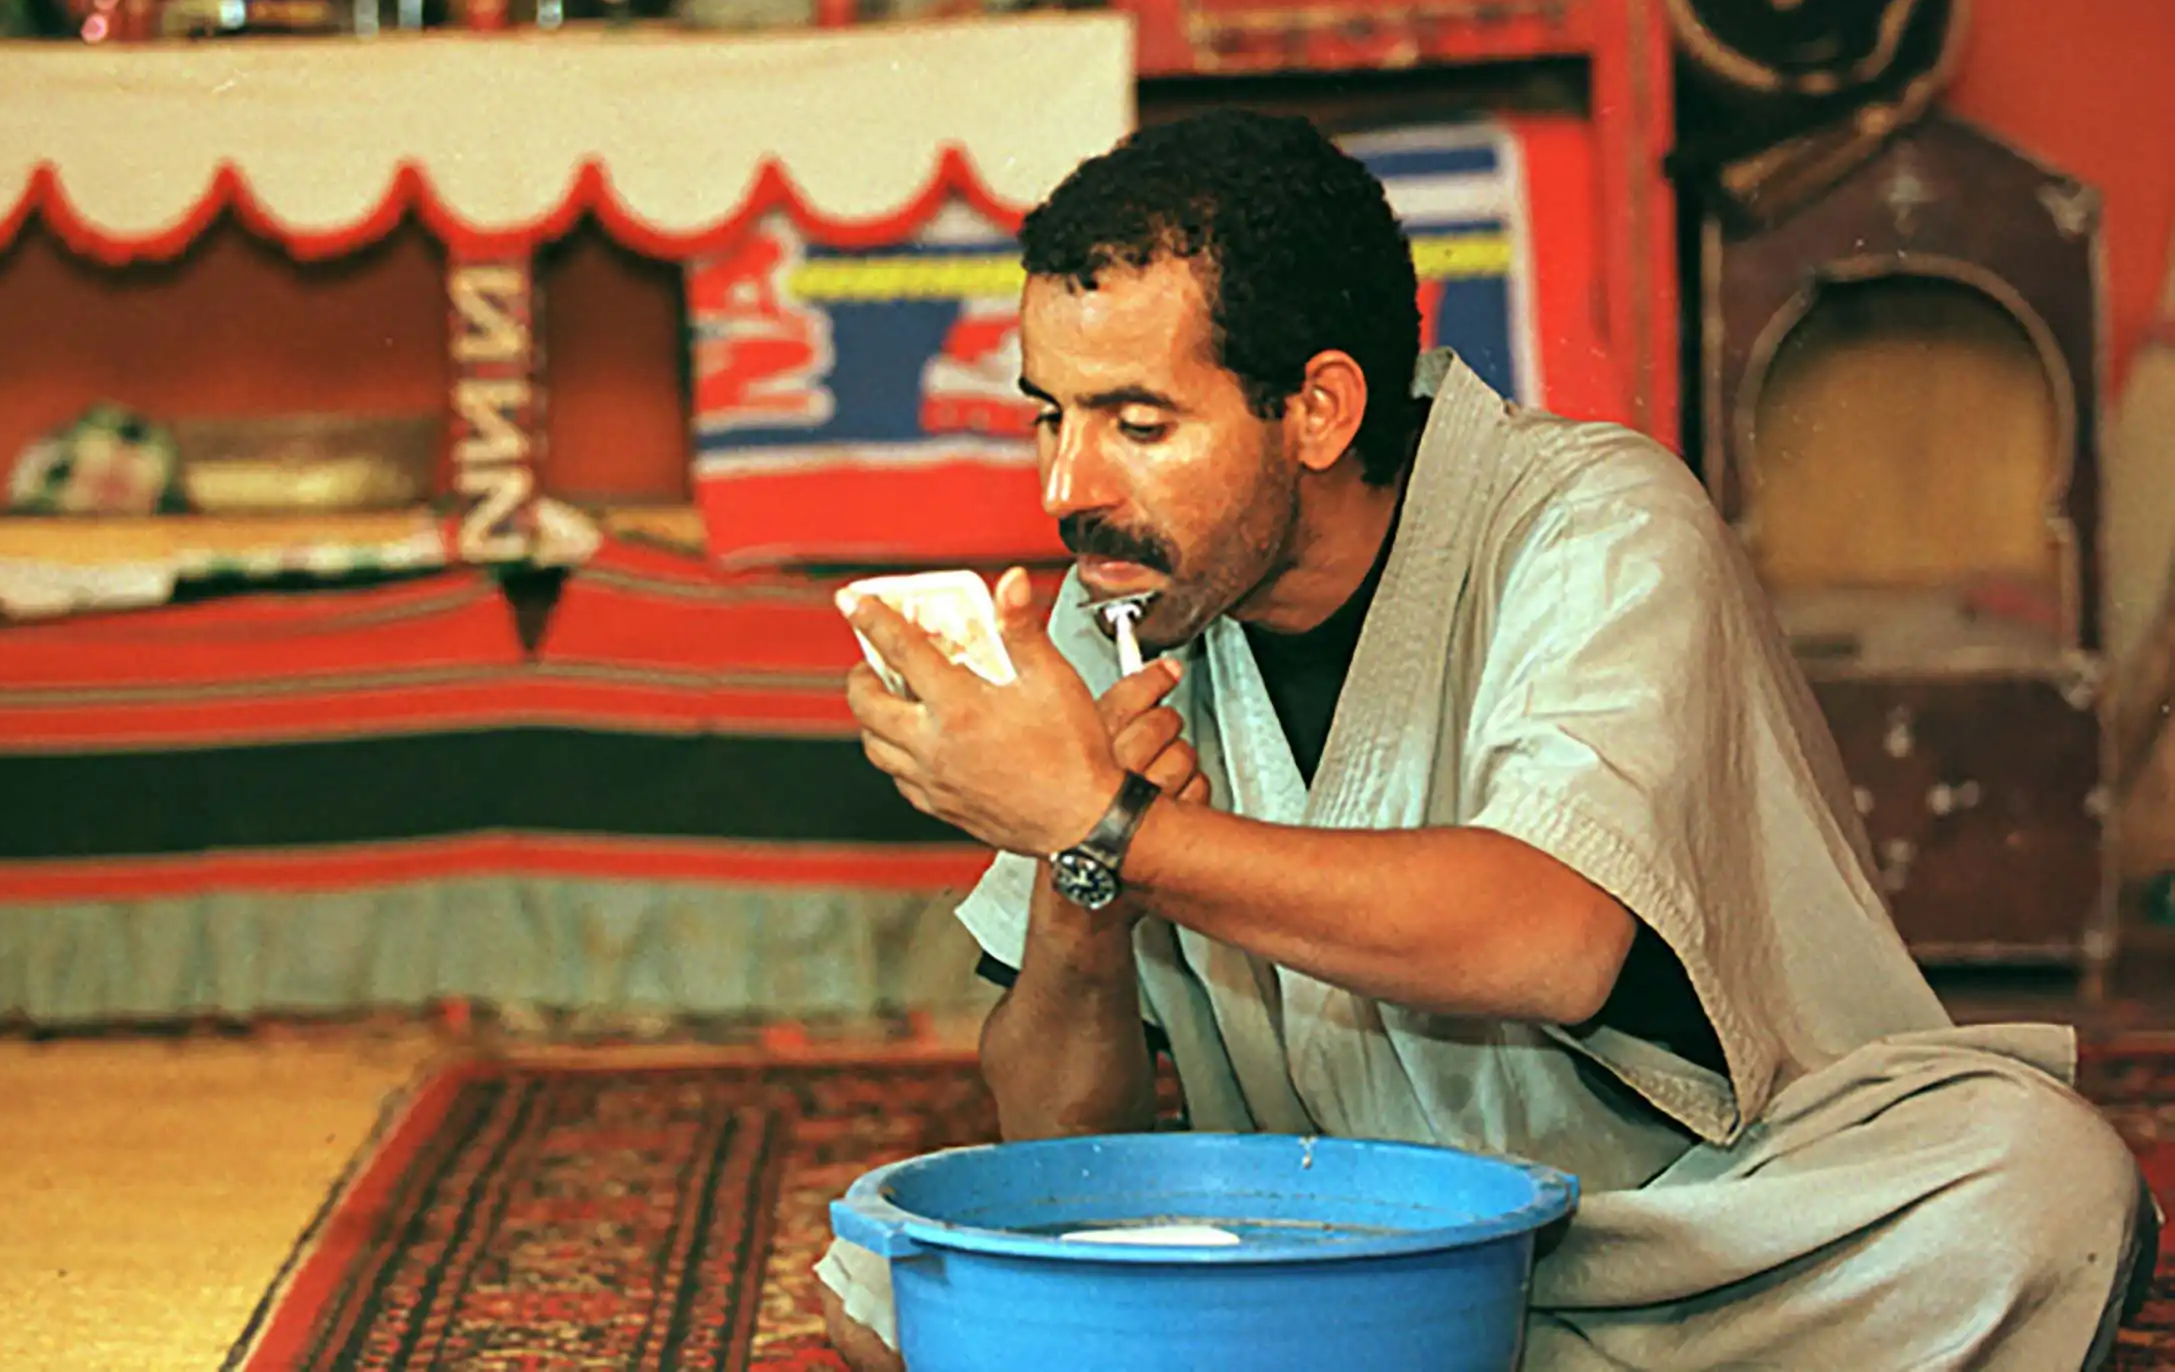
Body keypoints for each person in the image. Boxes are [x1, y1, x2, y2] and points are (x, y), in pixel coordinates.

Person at [819, 109, 2155, 1370]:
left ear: (1319, 410)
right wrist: (1077, 887)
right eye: (1048, 415)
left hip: (1694, 1236)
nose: (1068, 488)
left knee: (2032, 1190)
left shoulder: (1597, 527)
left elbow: (1550, 939)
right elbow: (1061, 1144)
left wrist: (1112, 824)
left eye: (1138, 424)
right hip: (1339, 1250)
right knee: (886, 1280)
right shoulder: (1125, 599)